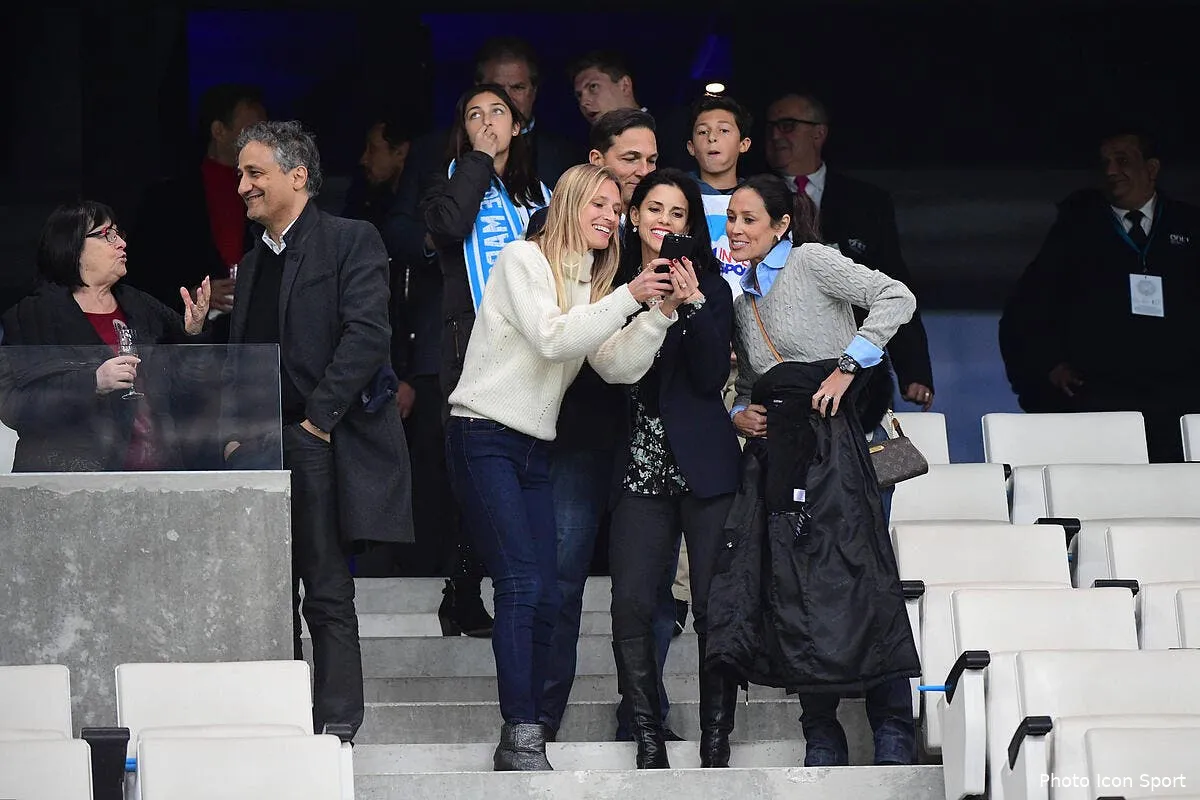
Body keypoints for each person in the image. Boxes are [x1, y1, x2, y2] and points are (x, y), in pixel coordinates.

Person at [444, 163, 684, 771]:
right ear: (569, 203)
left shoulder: (591, 285)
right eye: (597, 203)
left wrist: (659, 313)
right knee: (523, 584)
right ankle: (521, 733)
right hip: (482, 433)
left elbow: (616, 366)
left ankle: (527, 727)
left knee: (548, 593)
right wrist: (630, 295)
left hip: (533, 447)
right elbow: (552, 339)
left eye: (615, 207)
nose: (609, 215)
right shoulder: (522, 259)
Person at [220, 120, 413, 738]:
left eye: (255, 173)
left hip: (316, 440)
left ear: (297, 175)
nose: (243, 186)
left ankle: (336, 729)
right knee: (266, 594)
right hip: (260, 446)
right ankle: (279, 721)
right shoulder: (253, 263)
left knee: (326, 589)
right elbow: (245, 357)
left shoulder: (350, 238)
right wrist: (237, 431)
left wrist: (315, 421)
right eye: (241, 175)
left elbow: (368, 335)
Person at [720, 174, 920, 766]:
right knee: (795, 585)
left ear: (781, 224)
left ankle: (892, 730)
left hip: (841, 445)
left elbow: (896, 297)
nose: (736, 229)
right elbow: (747, 382)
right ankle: (821, 734)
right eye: (731, 218)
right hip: (782, 456)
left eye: (749, 219)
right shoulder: (743, 301)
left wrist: (848, 366)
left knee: (861, 576)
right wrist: (737, 413)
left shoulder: (811, 261)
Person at [534, 108, 682, 744]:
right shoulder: (567, 238)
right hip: (580, 433)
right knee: (562, 579)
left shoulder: (680, 253)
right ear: (597, 161)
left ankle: (642, 717)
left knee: (649, 592)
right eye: (630, 159)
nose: (642, 172)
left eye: (651, 162)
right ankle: (539, 719)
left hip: (654, 444)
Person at [607, 168, 741, 769]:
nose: (664, 221)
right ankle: (647, 734)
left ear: (691, 226)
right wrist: (646, 300)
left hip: (704, 468)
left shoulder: (712, 289)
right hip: (635, 467)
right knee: (633, 603)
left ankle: (716, 737)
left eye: (678, 213)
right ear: (635, 215)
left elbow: (711, 378)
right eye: (655, 209)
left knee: (713, 605)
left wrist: (690, 306)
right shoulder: (613, 284)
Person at [420, 83, 549, 633]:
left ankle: (486, 586)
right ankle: (464, 588)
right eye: (475, 114)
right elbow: (450, 226)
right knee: (477, 473)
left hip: (534, 347)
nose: (488, 121)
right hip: (470, 348)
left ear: (518, 126)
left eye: (499, 112)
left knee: (520, 474)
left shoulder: (538, 195)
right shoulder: (445, 184)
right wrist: (477, 160)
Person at [999, 129, 1200, 462]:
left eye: (1122, 160)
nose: (1111, 171)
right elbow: (1029, 307)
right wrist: (1049, 364)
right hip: (1102, 396)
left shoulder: (1190, 225)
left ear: (1151, 169)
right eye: (1104, 163)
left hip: (1181, 398)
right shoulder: (1077, 228)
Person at [0, 201, 211, 472]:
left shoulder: (141, 306)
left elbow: (192, 388)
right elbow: (13, 407)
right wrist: (93, 383)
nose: (122, 243)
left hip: (156, 477)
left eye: (119, 234)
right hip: (73, 482)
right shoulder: (32, 316)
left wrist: (192, 334)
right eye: (107, 235)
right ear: (73, 246)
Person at [763, 92, 935, 413]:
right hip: (780, 361)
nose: (775, 135)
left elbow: (893, 283)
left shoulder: (867, 202)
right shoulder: (751, 197)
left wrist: (914, 369)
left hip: (857, 366)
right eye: (770, 126)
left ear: (819, 133)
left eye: (787, 125)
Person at [128, 83, 267, 342]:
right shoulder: (168, 197)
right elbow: (141, 274)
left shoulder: (267, 192)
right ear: (219, 131)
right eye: (251, 131)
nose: (261, 141)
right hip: (189, 341)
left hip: (255, 338)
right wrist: (190, 295)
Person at [687, 93, 754, 297]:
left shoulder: (761, 200)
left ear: (744, 144)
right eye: (702, 132)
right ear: (691, 147)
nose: (712, 138)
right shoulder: (679, 196)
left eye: (723, 130)